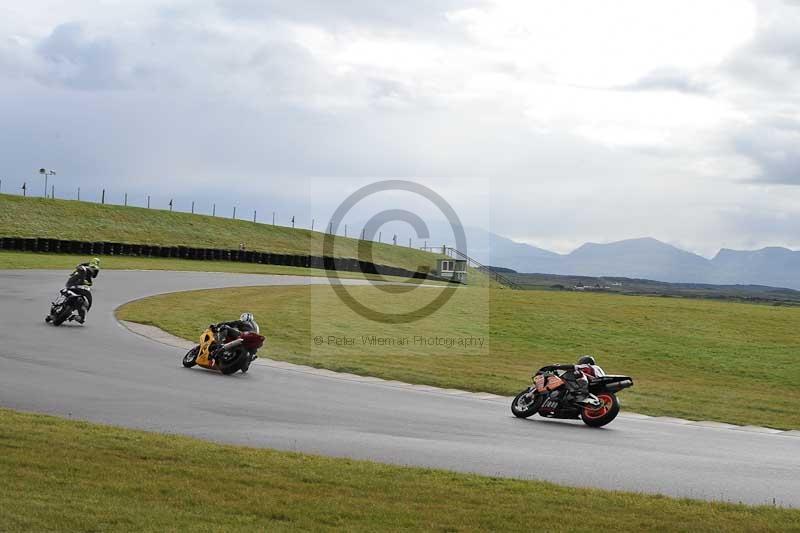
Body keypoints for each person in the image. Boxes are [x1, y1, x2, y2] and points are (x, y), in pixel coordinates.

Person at [65, 258, 100, 323]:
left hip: (84, 280)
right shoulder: (90, 265)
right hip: (80, 277)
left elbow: (94, 276)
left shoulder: (95, 268)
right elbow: (80, 266)